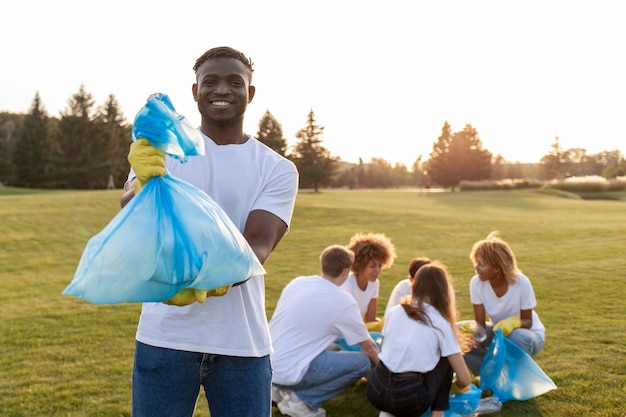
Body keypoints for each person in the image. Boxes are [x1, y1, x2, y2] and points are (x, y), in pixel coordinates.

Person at [120, 46, 299, 417]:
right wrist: (139, 186)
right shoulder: (162, 153)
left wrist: (200, 279)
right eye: (210, 81)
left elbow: (258, 245)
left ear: (250, 93)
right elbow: (132, 216)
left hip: (241, 345)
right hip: (164, 338)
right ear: (195, 90)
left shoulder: (277, 168)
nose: (222, 90)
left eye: (235, 82)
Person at [270, 245, 380, 417]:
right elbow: (369, 348)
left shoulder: (297, 283)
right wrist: (389, 376)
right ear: (345, 271)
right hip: (289, 373)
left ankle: (277, 391)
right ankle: (303, 402)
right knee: (362, 363)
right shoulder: (343, 301)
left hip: (267, 367)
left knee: (322, 345)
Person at [367, 263, 472, 417]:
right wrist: (456, 386)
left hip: (376, 389)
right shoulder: (440, 322)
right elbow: (465, 379)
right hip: (409, 399)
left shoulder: (394, 312)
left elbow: (385, 350)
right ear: (443, 290)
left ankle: (388, 413)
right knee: (446, 361)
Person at [463, 231, 545, 375]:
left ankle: (515, 377)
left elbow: (528, 321)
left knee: (518, 336)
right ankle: (491, 374)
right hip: (497, 332)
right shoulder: (476, 283)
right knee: (459, 336)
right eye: (476, 263)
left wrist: (513, 323)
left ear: (497, 268)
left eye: (481, 264)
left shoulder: (521, 282)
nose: (476, 268)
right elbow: (480, 325)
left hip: (529, 335)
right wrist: (470, 333)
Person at [341, 232, 396, 331]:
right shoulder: (347, 284)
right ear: (360, 265)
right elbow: (347, 320)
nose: (378, 270)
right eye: (372, 266)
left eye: (380, 266)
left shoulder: (374, 283)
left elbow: (370, 319)